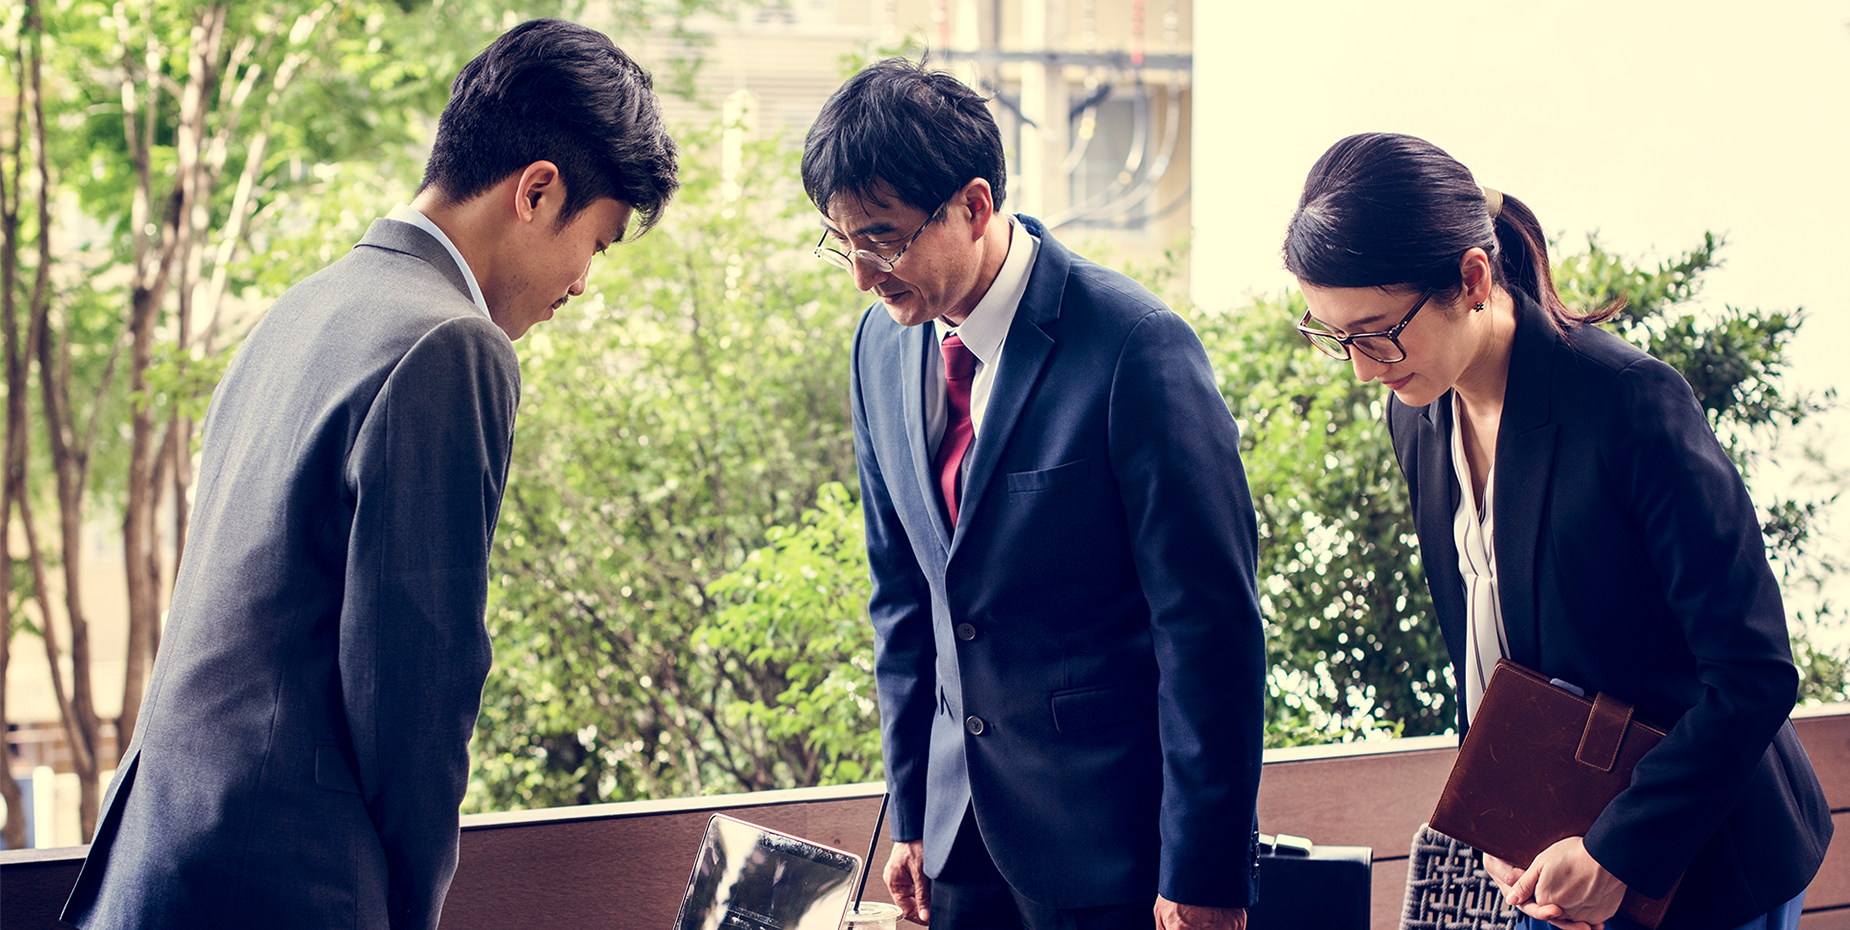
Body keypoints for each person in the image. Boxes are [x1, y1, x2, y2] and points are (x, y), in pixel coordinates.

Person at [60, 20, 677, 930]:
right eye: (599, 242)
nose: (583, 283)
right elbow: (417, 692)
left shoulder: (306, 307)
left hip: (162, 868)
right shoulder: (450, 342)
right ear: (538, 192)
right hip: (284, 889)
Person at [1283, 132, 1831, 930]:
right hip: (1551, 851)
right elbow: (1498, 652)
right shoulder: (1420, 416)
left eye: (1374, 333)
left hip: (1707, 861)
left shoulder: (1629, 406)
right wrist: (1514, 821)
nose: (1362, 368)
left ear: (1472, 278)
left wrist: (1617, 853)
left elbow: (1753, 674)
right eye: (1333, 336)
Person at [802, 59, 1265, 930]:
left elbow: (1209, 631)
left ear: (974, 206)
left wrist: (1204, 870)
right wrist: (913, 815)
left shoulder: (1137, 348)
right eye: (845, 242)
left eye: (884, 238)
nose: (862, 273)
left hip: (1115, 849)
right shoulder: (879, 347)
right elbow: (902, 601)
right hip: (955, 843)